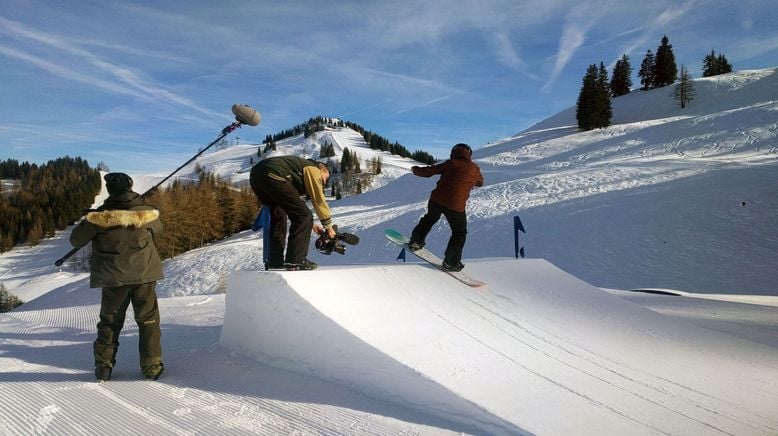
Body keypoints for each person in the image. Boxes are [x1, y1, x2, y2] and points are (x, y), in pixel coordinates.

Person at [69, 173, 165, 381]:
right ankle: (152, 366)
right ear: (130, 187)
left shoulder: (99, 218)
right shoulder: (147, 213)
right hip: (144, 274)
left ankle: (104, 366)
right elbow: (159, 230)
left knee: (110, 323)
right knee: (148, 321)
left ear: (109, 190)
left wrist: (89, 219)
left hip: (113, 278)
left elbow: (76, 241)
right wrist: (140, 204)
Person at [249, 156, 337, 270]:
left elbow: (293, 206)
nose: (323, 183)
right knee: (304, 215)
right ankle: (296, 260)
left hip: (256, 176)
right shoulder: (313, 169)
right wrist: (329, 227)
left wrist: (311, 225)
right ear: (322, 170)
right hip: (274, 174)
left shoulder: (297, 171)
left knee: (278, 217)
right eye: (325, 179)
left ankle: (274, 261)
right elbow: (319, 200)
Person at [408, 143, 484, 272]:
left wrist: (414, 169)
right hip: (456, 206)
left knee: (429, 218)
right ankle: (451, 262)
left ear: (453, 152)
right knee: (459, 232)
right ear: (469, 154)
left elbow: (428, 172)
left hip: (436, 200)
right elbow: (480, 183)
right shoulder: (475, 169)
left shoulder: (450, 163)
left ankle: (416, 241)